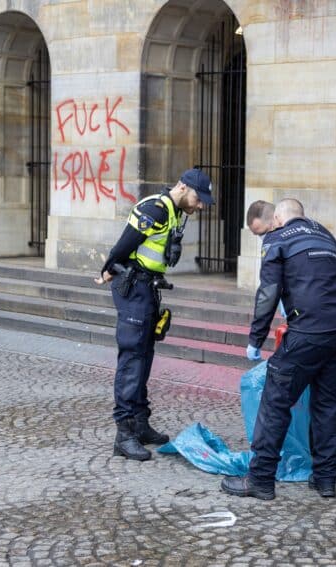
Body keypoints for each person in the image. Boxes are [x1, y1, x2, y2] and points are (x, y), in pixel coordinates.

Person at [221, 198, 336, 500]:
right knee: (325, 406)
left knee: (275, 402)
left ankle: (259, 479)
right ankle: (325, 480)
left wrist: (255, 340)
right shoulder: (324, 234)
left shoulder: (278, 239)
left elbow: (268, 292)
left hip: (308, 332)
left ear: (279, 218)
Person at [95, 168, 214, 461]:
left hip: (147, 290)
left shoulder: (173, 212)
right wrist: (109, 268)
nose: (200, 206)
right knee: (132, 358)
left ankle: (140, 423)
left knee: (144, 357)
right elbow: (123, 245)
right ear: (183, 187)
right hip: (135, 287)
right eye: (199, 199)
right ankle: (123, 434)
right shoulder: (156, 209)